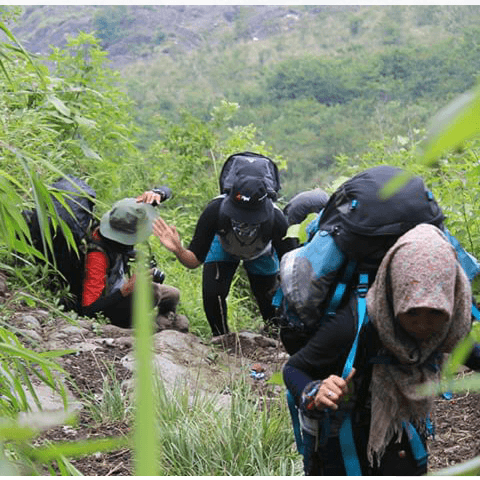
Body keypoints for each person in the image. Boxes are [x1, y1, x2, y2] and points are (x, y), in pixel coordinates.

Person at [283, 224, 473, 475]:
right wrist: (315, 391)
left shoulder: (450, 323)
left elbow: (471, 351)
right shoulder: (355, 324)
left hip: (403, 433)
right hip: (344, 439)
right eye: (412, 312)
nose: (423, 325)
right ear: (395, 299)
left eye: (435, 313)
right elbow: (294, 368)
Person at [151, 174, 297, 337]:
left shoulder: (276, 219)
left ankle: (274, 335)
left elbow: (291, 266)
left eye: (251, 218)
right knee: (213, 295)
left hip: (262, 250)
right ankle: (220, 339)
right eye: (239, 215)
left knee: (268, 300)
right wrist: (178, 249)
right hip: (223, 243)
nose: (245, 221)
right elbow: (193, 261)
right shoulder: (215, 210)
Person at [81, 195, 188, 332]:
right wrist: (125, 290)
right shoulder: (97, 258)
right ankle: (136, 325)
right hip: (109, 303)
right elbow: (88, 309)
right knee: (152, 291)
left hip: (121, 292)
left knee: (173, 294)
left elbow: (165, 191)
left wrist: (158, 193)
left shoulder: (117, 236)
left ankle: (165, 321)